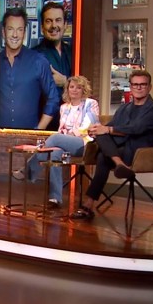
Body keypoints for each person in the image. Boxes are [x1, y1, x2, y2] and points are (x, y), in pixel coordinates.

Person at [71, 70, 153, 220]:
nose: (139, 88)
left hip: (138, 152)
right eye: (135, 84)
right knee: (101, 139)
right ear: (130, 87)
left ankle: (88, 205)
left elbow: (137, 129)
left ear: (149, 87)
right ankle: (119, 165)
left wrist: (107, 130)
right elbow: (111, 126)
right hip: (118, 149)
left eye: (143, 84)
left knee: (103, 154)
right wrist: (96, 129)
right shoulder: (124, 108)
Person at [14, 75, 100, 208]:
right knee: (54, 154)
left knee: (55, 138)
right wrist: (63, 138)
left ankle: (27, 170)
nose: (74, 90)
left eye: (78, 87)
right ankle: (55, 198)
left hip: (84, 144)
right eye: (72, 87)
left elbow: (87, 126)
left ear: (83, 90)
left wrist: (68, 135)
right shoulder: (64, 107)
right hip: (65, 143)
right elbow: (61, 129)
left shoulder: (91, 104)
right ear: (67, 89)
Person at [0, 6, 61, 130]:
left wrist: (38, 129)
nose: (15, 35)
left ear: (24, 33)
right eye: (10, 29)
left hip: (28, 137)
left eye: (20, 30)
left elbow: (53, 98)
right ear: (3, 32)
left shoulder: (39, 61)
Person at [33, 1, 73, 90]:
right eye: (48, 21)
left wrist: (65, 82)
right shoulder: (33, 56)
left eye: (58, 20)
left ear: (65, 25)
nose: (54, 25)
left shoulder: (73, 53)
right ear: (42, 27)